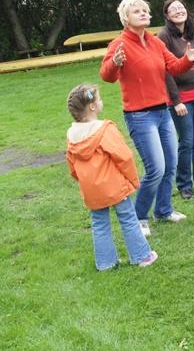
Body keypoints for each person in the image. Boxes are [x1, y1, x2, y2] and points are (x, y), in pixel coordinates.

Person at [100, 0, 194, 237]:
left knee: (170, 164)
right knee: (156, 168)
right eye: (137, 11)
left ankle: (164, 210)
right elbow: (106, 75)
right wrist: (114, 63)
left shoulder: (155, 42)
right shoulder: (119, 44)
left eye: (146, 10)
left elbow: (174, 67)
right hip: (140, 116)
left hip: (163, 112)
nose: (144, 13)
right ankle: (139, 217)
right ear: (126, 18)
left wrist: (188, 59)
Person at [65, 83, 158, 270]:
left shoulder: (71, 134)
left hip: (91, 190)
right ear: (92, 107)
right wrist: (132, 179)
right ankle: (142, 256)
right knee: (128, 218)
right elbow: (124, 157)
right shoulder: (105, 129)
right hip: (115, 187)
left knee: (99, 224)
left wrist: (84, 181)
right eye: (99, 99)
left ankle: (105, 264)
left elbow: (72, 165)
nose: (101, 101)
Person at [157, 0, 194, 200]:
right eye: (173, 9)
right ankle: (184, 184)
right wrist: (176, 101)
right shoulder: (164, 37)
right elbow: (165, 71)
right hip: (180, 99)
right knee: (187, 141)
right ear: (167, 15)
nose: (178, 11)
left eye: (180, 7)